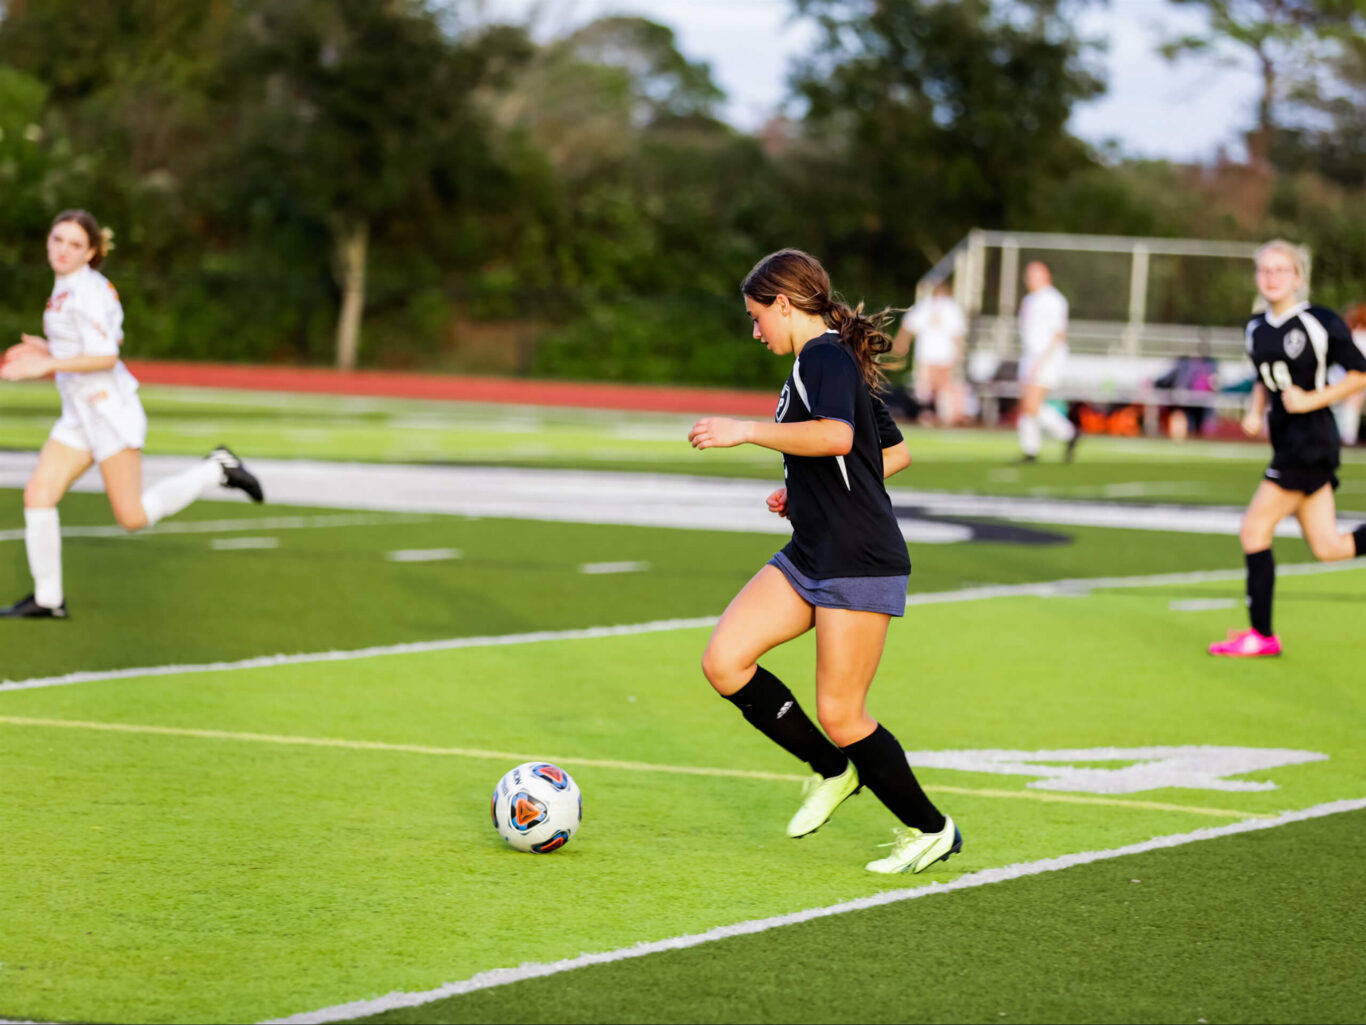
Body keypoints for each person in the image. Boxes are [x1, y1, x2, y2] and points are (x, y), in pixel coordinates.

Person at [687, 248, 960, 874]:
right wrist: (810, 487)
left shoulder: (826, 356)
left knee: (842, 713)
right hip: (811, 550)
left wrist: (745, 431)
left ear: (784, 304)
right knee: (725, 661)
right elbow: (890, 453)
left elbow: (838, 437)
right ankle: (834, 772)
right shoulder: (826, 360)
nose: (755, 331)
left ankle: (931, 828)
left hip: (858, 560)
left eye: (758, 317)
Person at [1, 209, 264, 619]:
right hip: (79, 414)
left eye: (74, 244)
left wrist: (46, 365)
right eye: (58, 240)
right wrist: (46, 350)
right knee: (38, 494)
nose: (63, 250)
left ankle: (218, 469)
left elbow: (106, 357)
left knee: (132, 516)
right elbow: (82, 348)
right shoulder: (66, 288)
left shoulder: (88, 291)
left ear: (91, 252)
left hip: (109, 410)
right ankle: (48, 599)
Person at [1209, 240, 1366, 657]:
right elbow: (1264, 378)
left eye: (1282, 270)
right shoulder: (1255, 327)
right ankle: (1262, 636)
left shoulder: (1320, 322)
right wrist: (1254, 411)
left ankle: (1261, 636)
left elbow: (1359, 374)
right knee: (1329, 547)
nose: (1273, 277)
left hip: (1310, 442)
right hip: (1286, 441)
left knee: (1254, 529)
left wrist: (1313, 400)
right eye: (1265, 270)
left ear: (1298, 276)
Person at [1016, 260, 1078, 462]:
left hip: (1047, 357)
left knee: (1032, 403)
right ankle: (1031, 449)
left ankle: (1068, 433)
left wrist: (1040, 361)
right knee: (1027, 404)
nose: (1030, 279)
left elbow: (1057, 335)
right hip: (1030, 355)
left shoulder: (1053, 300)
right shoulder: (1029, 300)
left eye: (1035, 274)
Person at [891, 281, 966, 425]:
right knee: (936, 386)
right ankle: (937, 415)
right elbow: (958, 334)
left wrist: (901, 344)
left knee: (932, 386)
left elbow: (907, 327)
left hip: (932, 353)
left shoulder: (928, 306)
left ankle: (932, 414)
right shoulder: (947, 307)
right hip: (938, 353)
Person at [1329, 303, 1366, 446]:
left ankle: (1348, 437)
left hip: (1348, 381)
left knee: (1352, 402)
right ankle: (1347, 437)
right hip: (1340, 381)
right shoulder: (1354, 334)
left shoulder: (1357, 336)